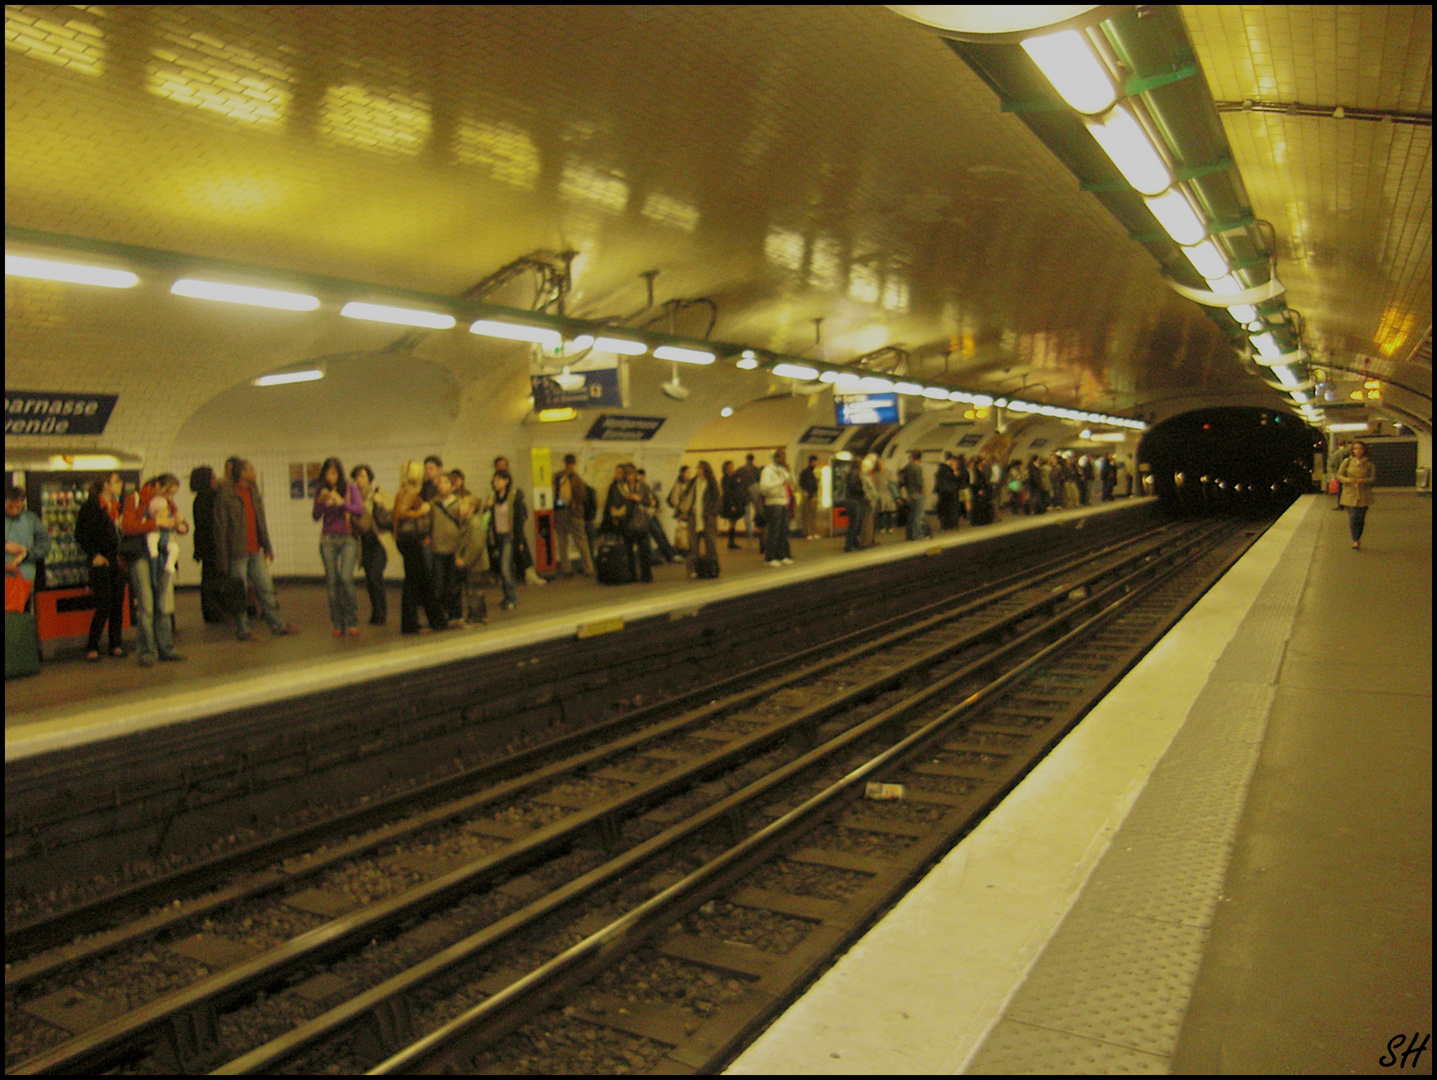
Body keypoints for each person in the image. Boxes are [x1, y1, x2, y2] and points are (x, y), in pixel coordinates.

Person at [214, 458, 294, 642]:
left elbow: (261, 521)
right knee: (239, 592)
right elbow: (221, 528)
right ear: (241, 473)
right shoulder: (226, 494)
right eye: (250, 469)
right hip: (237, 551)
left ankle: (277, 625)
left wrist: (267, 546)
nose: (254, 472)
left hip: (255, 548)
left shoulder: (253, 490)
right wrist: (223, 558)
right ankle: (243, 630)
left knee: (265, 587)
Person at [121, 473, 188, 666]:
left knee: (162, 603)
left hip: (162, 554)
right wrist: (156, 523)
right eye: (169, 492)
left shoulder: (166, 501)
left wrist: (181, 525)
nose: (171, 497)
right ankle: (146, 651)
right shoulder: (134, 499)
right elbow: (127, 526)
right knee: (147, 604)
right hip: (141, 554)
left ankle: (166, 648)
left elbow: (176, 520)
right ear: (157, 485)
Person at [75, 473, 127, 661]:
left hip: (117, 560)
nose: (121, 485)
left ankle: (116, 644)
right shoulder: (91, 507)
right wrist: (93, 554)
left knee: (118, 604)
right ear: (105, 485)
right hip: (100, 560)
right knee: (104, 603)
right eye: (117, 482)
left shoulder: (117, 507)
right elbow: (81, 534)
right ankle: (92, 644)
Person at [391, 459, 447, 633]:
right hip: (411, 541)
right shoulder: (410, 491)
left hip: (405, 540)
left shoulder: (403, 490)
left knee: (421, 580)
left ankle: (435, 620)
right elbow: (400, 513)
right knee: (415, 582)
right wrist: (419, 513)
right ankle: (413, 624)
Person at [312, 457, 364, 637]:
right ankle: (337, 622)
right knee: (332, 581)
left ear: (339, 473)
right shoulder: (321, 489)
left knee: (346, 578)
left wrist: (342, 503)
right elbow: (316, 516)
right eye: (327, 473)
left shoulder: (349, 487)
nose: (330, 477)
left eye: (333, 473)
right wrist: (321, 502)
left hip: (347, 538)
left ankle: (352, 620)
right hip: (328, 539)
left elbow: (359, 510)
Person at [349, 464, 390, 625]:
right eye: (356, 477)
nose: (359, 481)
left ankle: (382, 611)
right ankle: (376, 612)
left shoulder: (379, 493)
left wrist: (380, 504)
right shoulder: (353, 499)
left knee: (375, 575)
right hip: (364, 542)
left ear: (370, 479)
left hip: (379, 541)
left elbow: (390, 514)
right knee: (370, 579)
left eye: (362, 477)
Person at [606, 463, 654, 583]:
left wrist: (640, 499)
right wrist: (626, 499)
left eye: (633, 473)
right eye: (628, 474)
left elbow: (652, 501)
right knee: (629, 551)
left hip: (642, 522)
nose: (631, 476)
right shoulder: (620, 487)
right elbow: (615, 503)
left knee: (644, 551)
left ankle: (646, 576)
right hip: (626, 522)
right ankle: (632, 575)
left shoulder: (643, 486)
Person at [190, 466, 226, 624]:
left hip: (203, 543)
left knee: (208, 576)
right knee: (214, 577)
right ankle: (214, 609)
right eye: (212, 477)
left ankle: (210, 610)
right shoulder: (211, 498)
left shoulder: (198, 499)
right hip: (212, 543)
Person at [430, 470, 466, 623]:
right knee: (438, 584)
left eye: (445, 482)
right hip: (437, 549)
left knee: (454, 584)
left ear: (452, 486)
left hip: (453, 549)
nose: (441, 485)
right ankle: (440, 614)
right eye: (440, 482)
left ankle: (455, 614)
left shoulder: (460, 504)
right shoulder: (433, 504)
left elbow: (464, 527)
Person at [553, 453, 594, 577]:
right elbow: (582, 496)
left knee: (562, 540)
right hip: (575, 513)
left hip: (560, 512)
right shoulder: (577, 478)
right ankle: (588, 568)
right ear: (575, 463)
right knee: (581, 540)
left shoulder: (557, 476)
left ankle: (566, 568)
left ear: (564, 462)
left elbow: (554, 495)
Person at [486, 470, 522, 609]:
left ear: (506, 480)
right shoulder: (493, 497)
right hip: (497, 537)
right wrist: (487, 507)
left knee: (505, 568)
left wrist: (519, 541)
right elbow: (487, 519)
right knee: (502, 568)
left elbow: (518, 521)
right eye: (494, 480)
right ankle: (507, 596)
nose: (495, 483)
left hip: (509, 537)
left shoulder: (513, 497)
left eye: (498, 480)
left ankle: (512, 598)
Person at [679, 460, 721, 577]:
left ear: (705, 470)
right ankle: (693, 570)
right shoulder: (693, 482)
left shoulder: (712, 483)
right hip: (693, 518)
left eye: (700, 468)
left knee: (711, 544)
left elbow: (718, 500)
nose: (697, 470)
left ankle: (713, 567)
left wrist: (713, 513)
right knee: (693, 545)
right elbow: (685, 496)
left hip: (707, 519)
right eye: (697, 468)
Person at [453, 492, 488, 624]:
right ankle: (481, 615)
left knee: (474, 592)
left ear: (472, 508)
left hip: (476, 564)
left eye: (463, 504)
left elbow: (476, 545)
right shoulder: (468, 522)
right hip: (474, 563)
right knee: (475, 590)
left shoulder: (474, 523)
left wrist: (465, 560)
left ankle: (476, 617)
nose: (460, 507)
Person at [1336, 440, 1376, 550]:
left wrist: (1364, 481)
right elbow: (1339, 475)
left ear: (1364, 450)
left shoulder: (1369, 464)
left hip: (1364, 493)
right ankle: (1355, 540)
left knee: (1361, 518)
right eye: (1355, 448)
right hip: (1350, 493)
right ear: (1352, 451)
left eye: (1360, 448)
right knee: (1353, 516)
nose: (1358, 451)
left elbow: (1373, 478)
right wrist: (1347, 480)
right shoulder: (1347, 461)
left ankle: (1358, 536)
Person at [759, 448, 796, 566]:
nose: (783, 460)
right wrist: (780, 481)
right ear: (776, 458)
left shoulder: (781, 470)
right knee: (774, 531)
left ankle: (783, 554)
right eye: (781, 457)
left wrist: (790, 472)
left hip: (783, 502)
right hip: (773, 502)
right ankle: (770, 557)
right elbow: (764, 487)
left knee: (784, 531)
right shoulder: (767, 470)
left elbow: (793, 482)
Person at [636, 468, 680, 564]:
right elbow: (643, 501)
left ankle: (670, 554)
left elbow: (654, 499)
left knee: (660, 534)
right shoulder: (636, 488)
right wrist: (650, 503)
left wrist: (655, 504)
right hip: (644, 515)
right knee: (656, 535)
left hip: (651, 514)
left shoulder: (646, 486)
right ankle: (668, 555)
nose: (641, 478)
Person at [900, 450, 927, 540]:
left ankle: (910, 535)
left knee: (912, 515)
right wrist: (923, 490)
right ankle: (917, 534)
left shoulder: (906, 467)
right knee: (918, 515)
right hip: (917, 494)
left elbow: (903, 481)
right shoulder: (917, 467)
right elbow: (919, 482)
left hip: (910, 493)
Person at [843, 457, 868, 552]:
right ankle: (848, 545)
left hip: (850, 500)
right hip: (855, 500)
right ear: (858, 464)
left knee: (853, 522)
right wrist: (863, 491)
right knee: (855, 523)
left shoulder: (849, 473)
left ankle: (854, 543)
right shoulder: (855, 473)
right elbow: (854, 486)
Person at [720, 460, 747, 550]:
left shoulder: (732, 477)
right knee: (732, 522)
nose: (733, 468)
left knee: (733, 522)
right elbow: (728, 492)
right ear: (726, 469)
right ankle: (731, 542)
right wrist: (732, 505)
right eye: (731, 467)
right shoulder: (725, 479)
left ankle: (731, 541)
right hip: (730, 503)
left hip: (735, 502)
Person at [735, 453, 761, 538]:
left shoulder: (741, 469)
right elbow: (760, 481)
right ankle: (759, 528)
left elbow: (734, 479)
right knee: (758, 511)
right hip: (755, 491)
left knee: (747, 513)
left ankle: (749, 533)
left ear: (746, 459)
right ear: (753, 460)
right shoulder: (757, 469)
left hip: (744, 492)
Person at [667, 465, 691, 555]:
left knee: (687, 529)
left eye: (689, 472)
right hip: (681, 511)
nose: (689, 474)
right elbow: (674, 499)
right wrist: (681, 508)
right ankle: (682, 548)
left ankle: (686, 547)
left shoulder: (690, 484)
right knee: (681, 529)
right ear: (682, 474)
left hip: (689, 510)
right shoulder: (677, 485)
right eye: (687, 472)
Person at [934, 454, 961, 531]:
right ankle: (950, 524)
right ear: (950, 460)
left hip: (943, 492)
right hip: (949, 492)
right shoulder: (947, 470)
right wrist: (955, 474)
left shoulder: (940, 469)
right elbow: (952, 480)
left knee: (945, 509)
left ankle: (945, 524)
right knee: (950, 508)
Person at [799, 455, 822, 539]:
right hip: (809, 495)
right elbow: (805, 485)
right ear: (812, 462)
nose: (816, 463)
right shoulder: (806, 473)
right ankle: (808, 532)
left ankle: (812, 532)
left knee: (813, 514)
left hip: (813, 495)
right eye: (815, 461)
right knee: (808, 514)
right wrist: (811, 495)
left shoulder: (812, 472)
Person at [1328, 441, 1350, 510]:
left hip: (1341, 475)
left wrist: (1335, 474)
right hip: (1351, 475)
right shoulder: (1351, 453)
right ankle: (1350, 504)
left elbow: (1331, 465)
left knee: (1341, 490)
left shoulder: (1337, 453)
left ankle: (1341, 505)